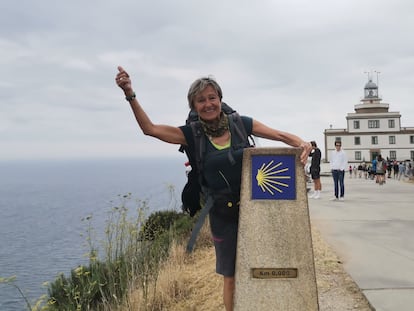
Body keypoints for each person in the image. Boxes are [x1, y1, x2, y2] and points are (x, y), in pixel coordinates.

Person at [115, 66, 312, 311]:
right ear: (194, 105)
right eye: (201, 100)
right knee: (230, 276)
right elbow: (150, 129)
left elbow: (279, 135)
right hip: (222, 214)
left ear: (220, 99)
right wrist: (130, 94)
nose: (208, 104)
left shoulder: (240, 124)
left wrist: (302, 143)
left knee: (265, 266)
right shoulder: (191, 134)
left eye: (212, 98)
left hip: (256, 210)